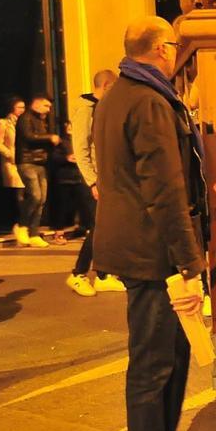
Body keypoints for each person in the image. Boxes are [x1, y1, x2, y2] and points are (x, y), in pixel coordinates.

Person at [93, 16, 209, 431]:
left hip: (139, 245)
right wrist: (189, 260)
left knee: (171, 357)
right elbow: (166, 190)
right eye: (175, 47)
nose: (177, 54)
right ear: (162, 48)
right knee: (153, 365)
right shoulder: (148, 101)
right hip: (152, 251)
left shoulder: (121, 92)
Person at [67, 69, 127, 297]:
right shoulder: (86, 110)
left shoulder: (101, 108)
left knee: (105, 227)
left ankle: (103, 275)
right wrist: (92, 182)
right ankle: (78, 274)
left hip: (104, 178)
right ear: (106, 86)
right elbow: (81, 149)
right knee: (98, 228)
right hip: (93, 180)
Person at [16, 94, 60, 248]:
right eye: (46, 106)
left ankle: (34, 232)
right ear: (36, 103)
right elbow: (29, 136)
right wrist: (50, 137)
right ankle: (22, 226)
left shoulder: (41, 120)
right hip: (27, 161)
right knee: (35, 196)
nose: (48, 110)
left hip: (41, 162)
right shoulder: (25, 118)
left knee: (41, 199)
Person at [0, 96, 27, 243]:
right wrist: (8, 153)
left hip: (24, 160)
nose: (22, 110)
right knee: (17, 193)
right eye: (19, 107)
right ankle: (16, 223)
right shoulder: (4, 123)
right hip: (11, 162)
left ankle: (22, 224)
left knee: (26, 192)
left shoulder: (25, 122)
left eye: (23, 107)